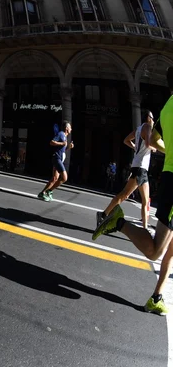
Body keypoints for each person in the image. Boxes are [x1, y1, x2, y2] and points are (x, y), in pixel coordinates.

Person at [93, 67, 173, 316]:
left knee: (170, 247)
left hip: (167, 174)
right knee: (156, 251)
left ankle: (157, 296)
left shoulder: (167, 107)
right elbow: (153, 143)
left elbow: (154, 140)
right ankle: (118, 223)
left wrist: (168, 149)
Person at [97, 111, 155, 229]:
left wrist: (135, 148)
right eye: (153, 118)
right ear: (149, 118)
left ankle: (144, 228)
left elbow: (126, 140)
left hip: (139, 166)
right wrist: (155, 149)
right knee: (126, 195)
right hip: (140, 167)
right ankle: (103, 214)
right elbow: (149, 145)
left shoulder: (138, 129)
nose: (153, 121)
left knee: (141, 199)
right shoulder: (148, 127)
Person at [37, 121, 74, 201]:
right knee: (64, 178)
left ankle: (42, 193)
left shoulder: (65, 137)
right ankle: (49, 191)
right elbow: (51, 142)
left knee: (55, 178)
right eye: (70, 127)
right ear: (66, 128)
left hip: (59, 159)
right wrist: (62, 143)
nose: (71, 129)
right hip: (57, 158)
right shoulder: (61, 134)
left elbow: (62, 150)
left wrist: (68, 147)